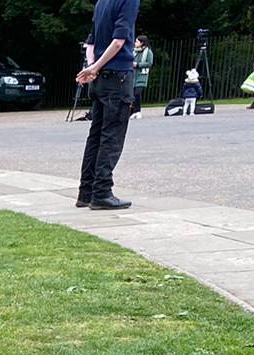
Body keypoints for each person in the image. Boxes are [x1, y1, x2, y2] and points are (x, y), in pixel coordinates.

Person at [76, 0, 140, 209]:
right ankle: (102, 191)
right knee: (111, 137)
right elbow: (119, 41)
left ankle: (86, 192)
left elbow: (91, 42)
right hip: (118, 76)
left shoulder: (102, 2)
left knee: (95, 136)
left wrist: (92, 68)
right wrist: (96, 66)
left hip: (100, 78)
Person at [132, 35, 153, 118]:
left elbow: (149, 63)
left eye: (137, 41)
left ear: (142, 43)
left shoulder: (148, 52)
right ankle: (132, 111)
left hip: (141, 76)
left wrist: (137, 65)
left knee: (137, 93)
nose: (135, 43)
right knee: (132, 94)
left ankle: (138, 111)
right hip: (133, 76)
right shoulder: (134, 52)